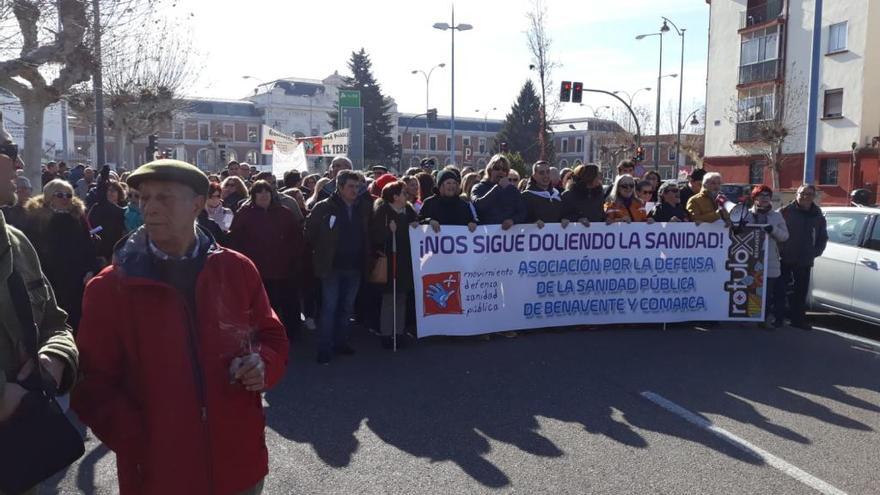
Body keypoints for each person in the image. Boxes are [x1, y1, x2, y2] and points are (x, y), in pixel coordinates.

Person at [72, 159, 288, 495]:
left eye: (165, 198)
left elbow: (271, 336)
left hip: (239, 466)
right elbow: (92, 385)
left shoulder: (237, 269)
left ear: (198, 204)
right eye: (144, 198)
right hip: (159, 475)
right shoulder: (109, 288)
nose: (150, 208)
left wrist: (263, 362)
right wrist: (143, 443)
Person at [0, 153, 79, 493]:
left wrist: (55, 358)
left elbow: (54, 322)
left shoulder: (16, 242)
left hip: (19, 453)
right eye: (10, 153)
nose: (20, 165)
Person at [305, 170, 370, 364]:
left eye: (357, 186)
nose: (355, 190)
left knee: (346, 308)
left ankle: (341, 342)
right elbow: (310, 233)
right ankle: (324, 348)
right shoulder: (324, 207)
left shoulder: (363, 207)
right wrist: (323, 251)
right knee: (329, 308)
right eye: (350, 186)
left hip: (355, 265)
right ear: (339, 187)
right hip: (331, 266)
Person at [230, 180, 304, 336]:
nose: (263, 195)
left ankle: (292, 332)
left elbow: (296, 237)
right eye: (259, 192)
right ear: (253, 195)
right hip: (257, 268)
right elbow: (235, 239)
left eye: (267, 192)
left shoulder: (284, 212)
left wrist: (293, 257)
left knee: (288, 300)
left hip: (284, 266)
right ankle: (267, 333)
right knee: (264, 303)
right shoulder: (244, 214)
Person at [23, 179, 99, 331]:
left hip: (76, 279)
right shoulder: (36, 219)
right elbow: (31, 248)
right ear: (49, 196)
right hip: (48, 278)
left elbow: (88, 247)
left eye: (68, 195)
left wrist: (90, 269)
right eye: (60, 195)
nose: (65, 199)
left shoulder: (77, 217)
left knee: (75, 319)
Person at [369, 181, 418, 349]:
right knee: (389, 299)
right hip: (390, 260)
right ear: (395, 196)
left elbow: (416, 227)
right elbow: (376, 237)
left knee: (402, 298)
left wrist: (416, 225)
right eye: (404, 193)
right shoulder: (383, 211)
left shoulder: (409, 210)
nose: (407, 195)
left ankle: (399, 332)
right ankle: (386, 333)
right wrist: (389, 230)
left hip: (405, 260)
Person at [739, 185, 789, 328]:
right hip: (749, 259)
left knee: (766, 294)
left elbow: (785, 236)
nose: (765, 199)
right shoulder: (746, 214)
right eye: (761, 196)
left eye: (768, 196)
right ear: (755, 199)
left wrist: (772, 230)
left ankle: (764, 320)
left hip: (770, 260)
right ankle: (747, 318)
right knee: (749, 289)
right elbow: (736, 232)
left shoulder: (776, 216)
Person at [779, 184, 828, 330]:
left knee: (800, 292)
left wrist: (815, 252)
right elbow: (775, 232)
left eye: (809, 194)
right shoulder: (785, 211)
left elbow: (822, 236)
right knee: (781, 290)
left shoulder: (817, 213)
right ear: (796, 194)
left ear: (814, 197)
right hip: (785, 258)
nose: (805, 197)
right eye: (802, 193)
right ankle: (778, 318)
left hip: (805, 260)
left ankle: (797, 320)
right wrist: (780, 251)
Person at [471, 154, 526, 229]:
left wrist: (513, 220)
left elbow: (523, 212)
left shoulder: (512, 190)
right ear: (490, 170)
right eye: (497, 168)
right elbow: (478, 206)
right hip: (485, 235)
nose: (500, 172)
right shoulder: (479, 187)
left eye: (504, 170)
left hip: (506, 236)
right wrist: (498, 187)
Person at [87, 167, 126, 264]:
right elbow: (90, 229)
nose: (110, 193)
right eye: (108, 190)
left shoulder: (125, 210)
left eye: (113, 190)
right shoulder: (97, 208)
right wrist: (100, 228)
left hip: (120, 252)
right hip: (100, 253)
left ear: (119, 193)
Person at [522, 160, 563, 227]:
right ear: (534, 176)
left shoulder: (557, 194)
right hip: (535, 235)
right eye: (541, 173)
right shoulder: (526, 196)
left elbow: (563, 214)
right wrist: (533, 222)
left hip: (555, 236)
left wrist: (565, 218)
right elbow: (522, 218)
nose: (546, 176)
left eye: (548, 172)